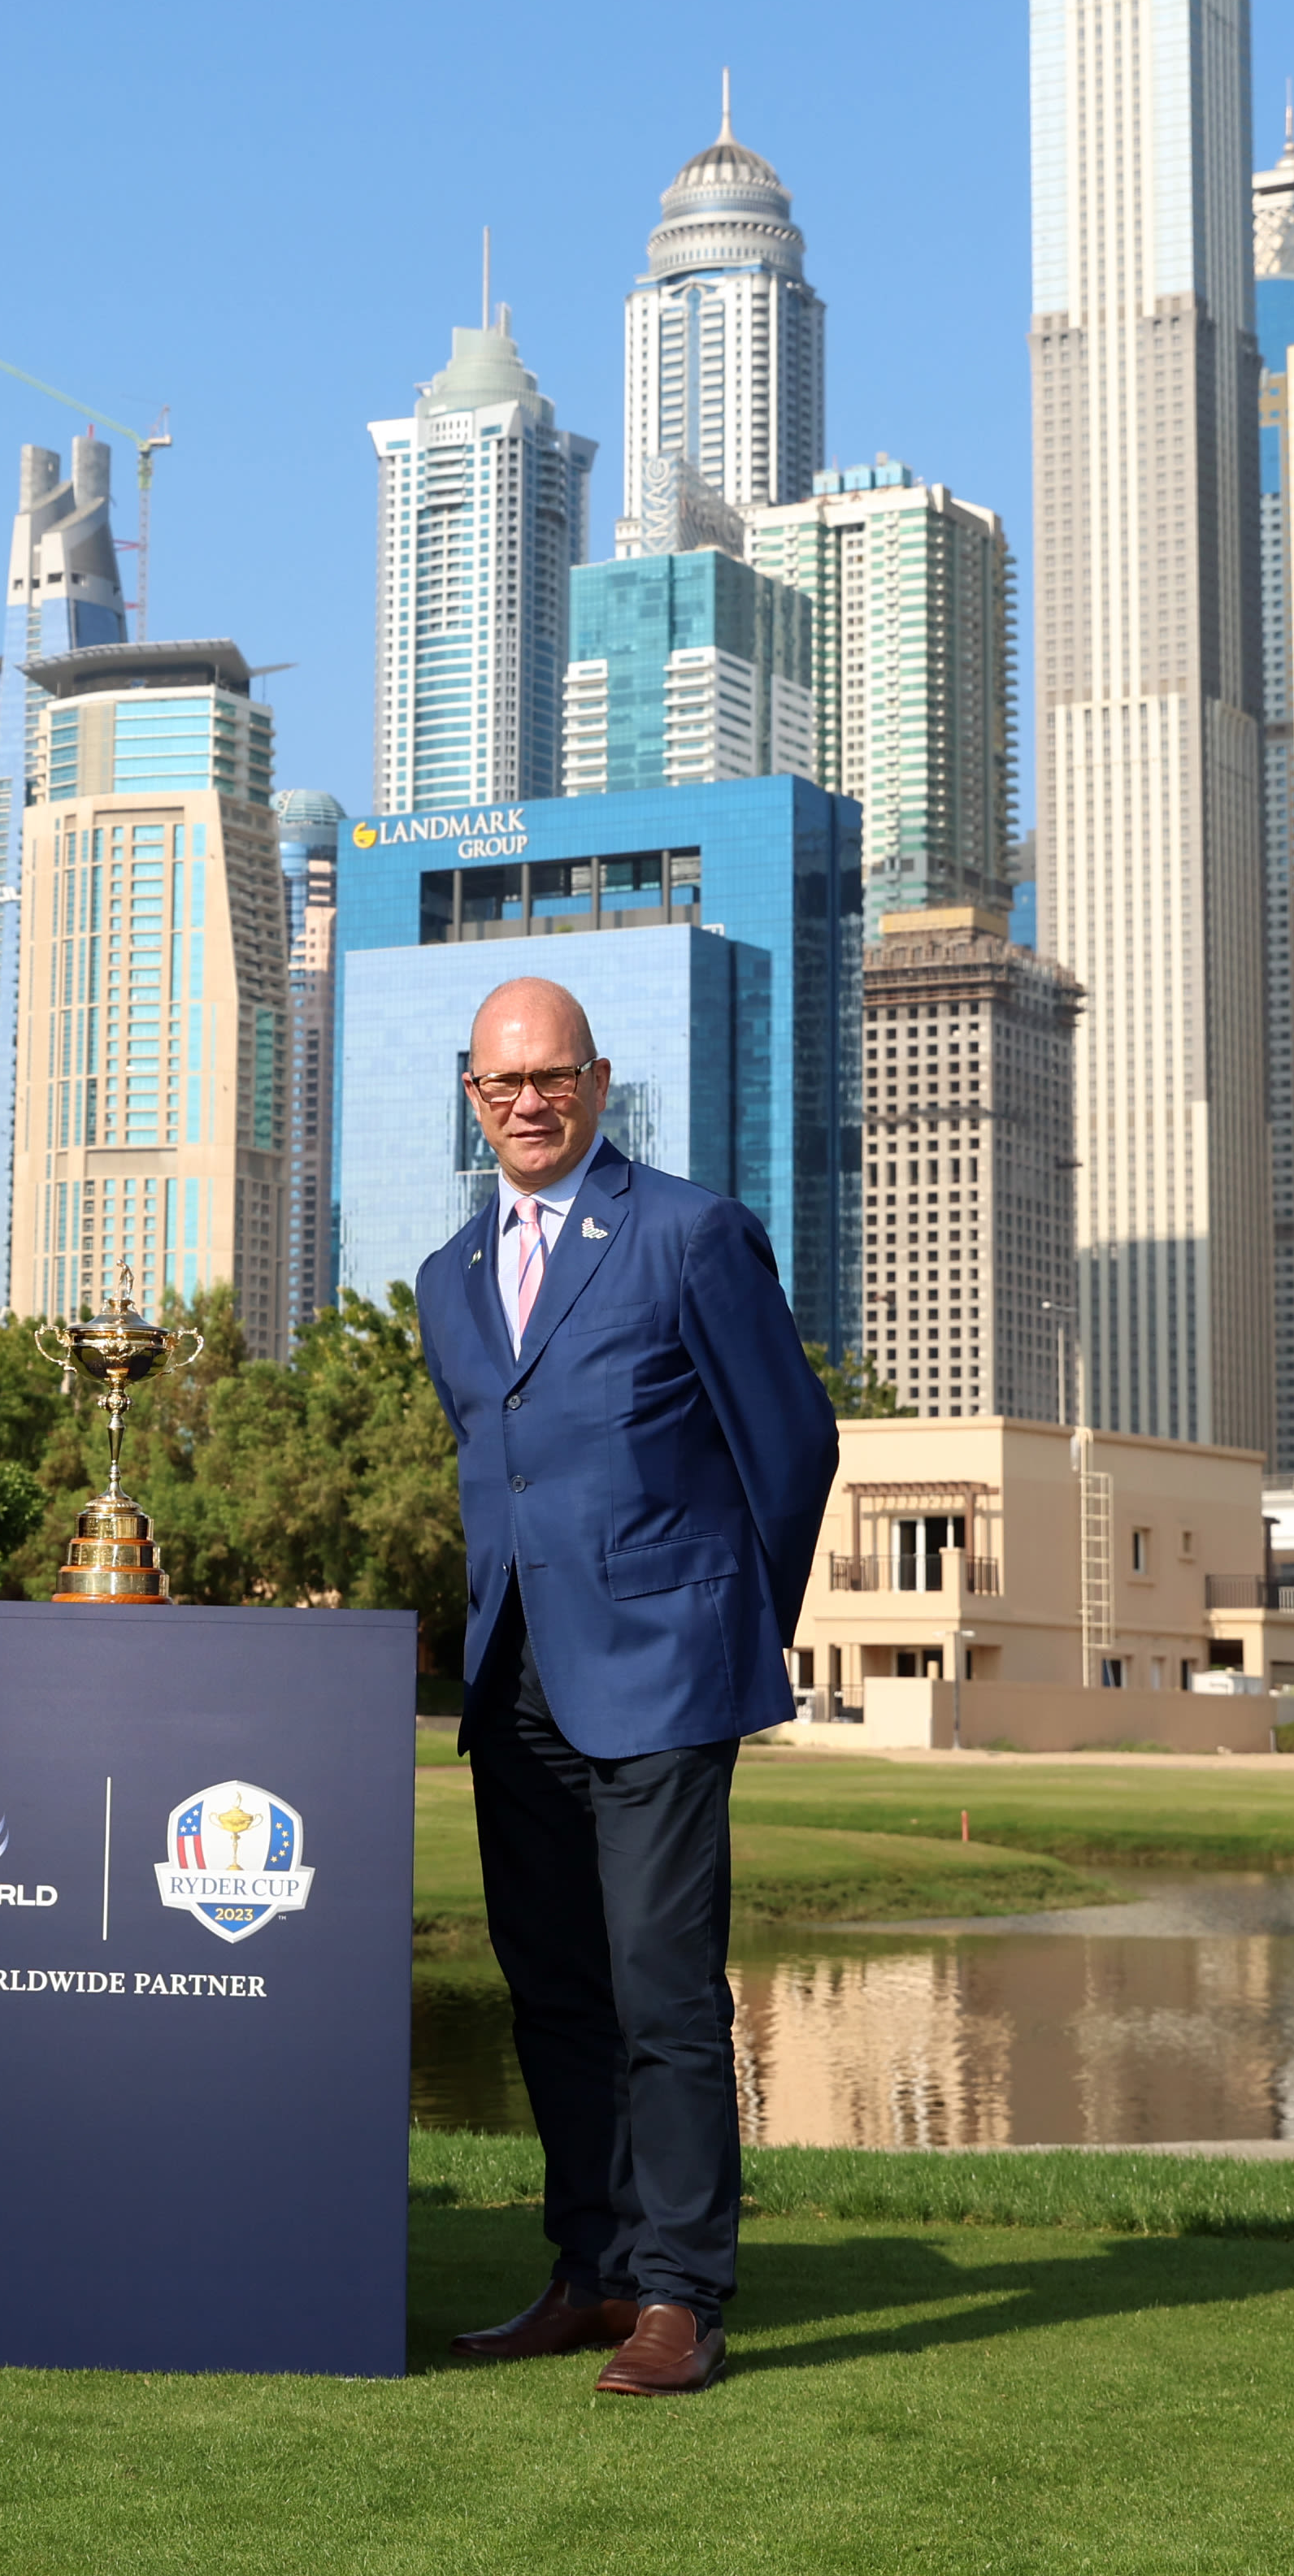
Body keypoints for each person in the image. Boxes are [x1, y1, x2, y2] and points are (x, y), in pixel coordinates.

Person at [412, 974, 834, 2396]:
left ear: (597, 1083)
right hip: (513, 1686)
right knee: (553, 1998)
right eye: (498, 1084)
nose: (526, 1103)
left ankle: (681, 2296)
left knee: (663, 1998)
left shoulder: (690, 1232)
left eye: (551, 1077)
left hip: (663, 1675)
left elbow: (791, 1455)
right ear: (473, 1100)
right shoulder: (448, 1279)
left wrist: (725, 1631)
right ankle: (589, 2271)